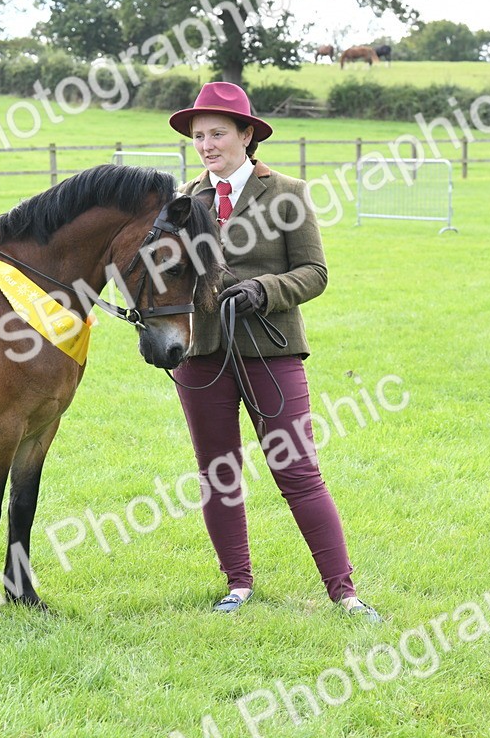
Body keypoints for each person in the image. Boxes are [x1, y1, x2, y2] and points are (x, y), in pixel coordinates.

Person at [167, 82, 381, 621]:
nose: (207, 145)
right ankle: (237, 585)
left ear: (247, 135)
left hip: (271, 350)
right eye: (199, 136)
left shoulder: (288, 193)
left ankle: (344, 593)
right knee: (218, 473)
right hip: (202, 355)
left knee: (297, 470)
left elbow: (315, 273)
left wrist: (264, 290)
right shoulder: (185, 200)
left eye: (218, 134)